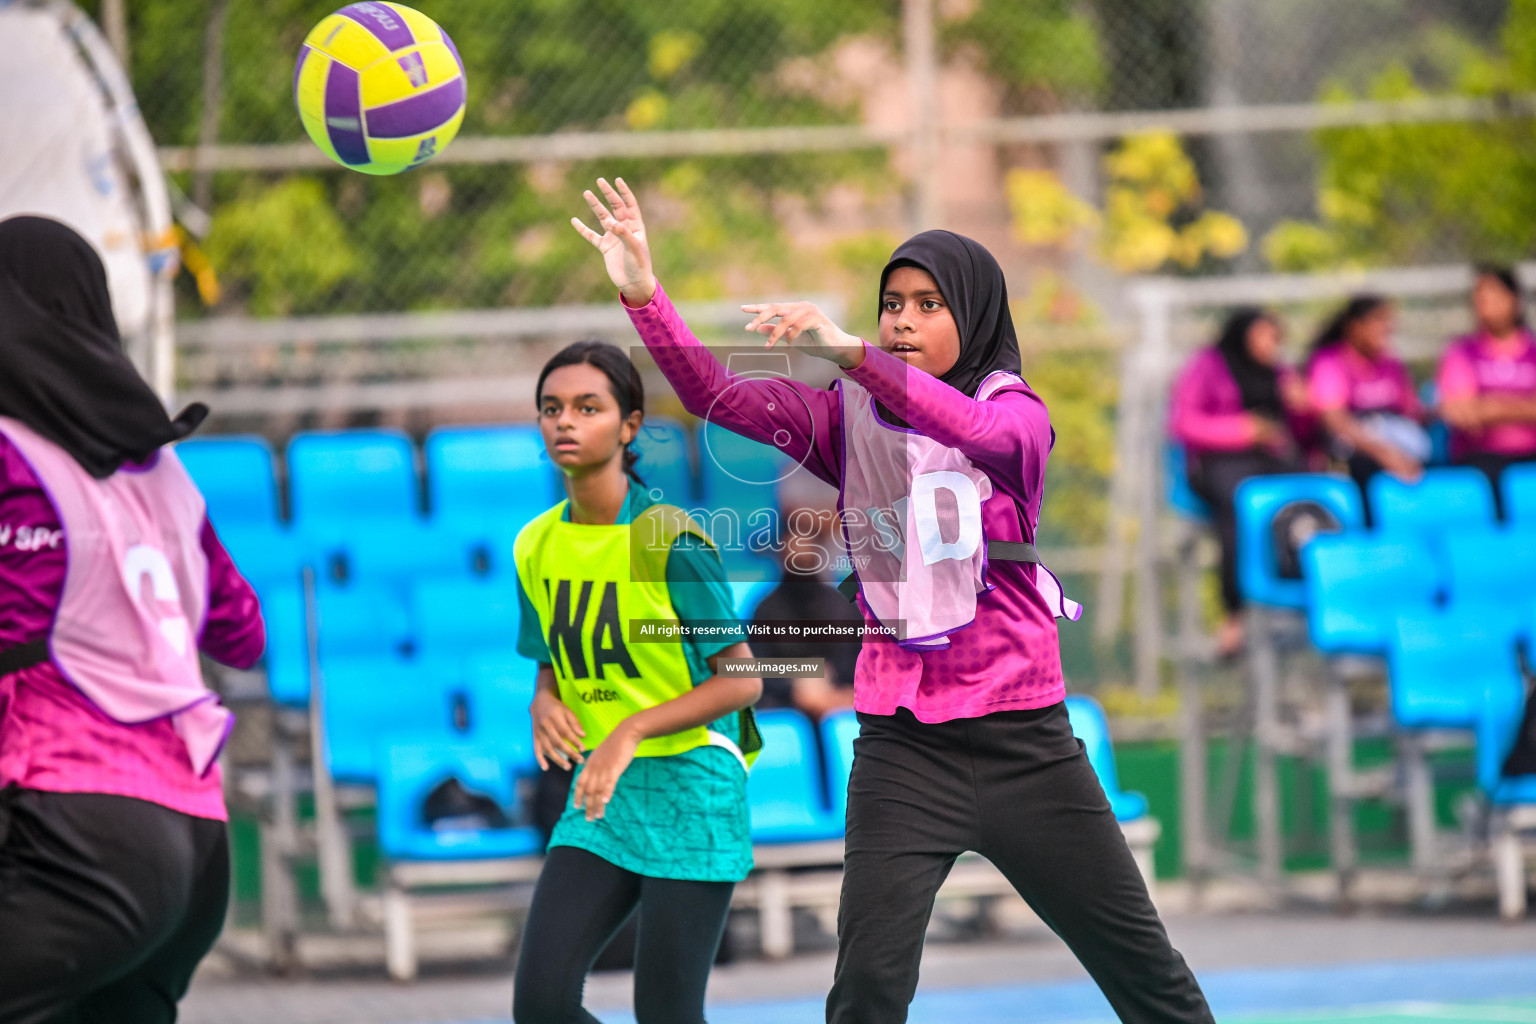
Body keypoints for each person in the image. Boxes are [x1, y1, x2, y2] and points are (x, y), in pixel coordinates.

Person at [573, 177, 1213, 1024]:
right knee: (868, 990)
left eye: (927, 304)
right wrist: (644, 293)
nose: (901, 320)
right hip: (903, 749)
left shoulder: (1018, 417)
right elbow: (714, 397)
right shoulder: (850, 419)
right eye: (890, 304)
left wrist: (853, 357)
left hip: (1028, 744)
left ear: (975, 316)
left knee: (1147, 978)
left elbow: (974, 433)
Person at [0, 216, 265, 1023]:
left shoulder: (14, 453)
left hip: (79, 838)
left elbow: (18, 623)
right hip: (195, 847)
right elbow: (243, 634)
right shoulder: (163, 471)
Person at [510, 339, 763, 1024]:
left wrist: (631, 729)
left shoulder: (664, 536)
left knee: (668, 1016)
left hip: (692, 780)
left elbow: (742, 681)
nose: (565, 421)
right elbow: (551, 659)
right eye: (552, 408)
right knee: (540, 1006)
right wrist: (543, 699)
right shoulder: (534, 543)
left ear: (628, 426)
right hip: (603, 793)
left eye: (588, 408)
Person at [1169, 308, 1306, 657]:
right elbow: (1184, 423)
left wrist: (1305, 405)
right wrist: (1242, 430)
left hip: (1269, 459)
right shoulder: (1208, 366)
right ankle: (1235, 610)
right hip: (1218, 463)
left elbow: (1301, 429)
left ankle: (1297, 593)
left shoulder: (1280, 372)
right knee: (1240, 506)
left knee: (1306, 495)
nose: (1269, 345)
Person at [750, 471, 859, 718]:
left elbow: (859, 668)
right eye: (792, 537)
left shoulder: (843, 608)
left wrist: (835, 696)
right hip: (785, 714)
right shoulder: (765, 609)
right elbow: (744, 668)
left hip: (838, 712)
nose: (798, 548)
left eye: (808, 538)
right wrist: (798, 682)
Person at [1307, 295, 1428, 503]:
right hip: (1356, 454)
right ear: (1355, 327)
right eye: (1378, 320)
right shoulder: (1331, 362)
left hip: (1395, 448)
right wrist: (1385, 454)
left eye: (1388, 321)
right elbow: (1335, 421)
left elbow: (1412, 412)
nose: (1387, 328)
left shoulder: (1391, 364)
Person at [1437, 266, 1536, 508]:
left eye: (1494, 297)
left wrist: (1490, 406)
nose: (1486, 306)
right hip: (1482, 458)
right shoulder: (1461, 352)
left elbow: (1477, 409)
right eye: (1480, 300)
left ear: (1515, 299)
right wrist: (1524, 408)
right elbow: (1462, 413)